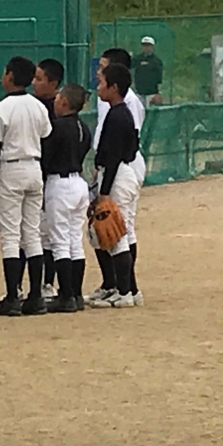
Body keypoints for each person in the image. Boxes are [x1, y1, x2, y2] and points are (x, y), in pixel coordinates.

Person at [0, 56, 52, 317]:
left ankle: (13, 297)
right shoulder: (38, 106)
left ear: (10, 76)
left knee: (11, 235)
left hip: (11, 168)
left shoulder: (1, 109)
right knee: (32, 234)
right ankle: (36, 297)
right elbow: (45, 138)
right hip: (34, 167)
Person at [88, 48, 146, 306]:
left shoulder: (118, 113)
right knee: (122, 232)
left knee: (116, 234)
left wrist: (104, 192)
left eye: (102, 83)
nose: (98, 87)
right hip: (124, 172)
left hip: (118, 175)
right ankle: (130, 290)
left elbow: (112, 156)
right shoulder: (120, 112)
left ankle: (123, 292)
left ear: (114, 87)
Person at [42, 83, 91, 313]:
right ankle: (76, 294)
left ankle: (66, 296)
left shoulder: (57, 126)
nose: (55, 101)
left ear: (64, 102)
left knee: (60, 241)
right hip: (78, 182)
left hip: (59, 183)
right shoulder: (83, 127)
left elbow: (46, 157)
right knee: (74, 240)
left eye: (58, 97)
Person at [31, 58, 64, 301]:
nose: (34, 83)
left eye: (40, 78)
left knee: (48, 233)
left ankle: (48, 283)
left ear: (53, 83)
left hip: (50, 176)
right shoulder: (31, 105)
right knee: (27, 232)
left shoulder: (59, 109)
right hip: (32, 173)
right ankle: (20, 285)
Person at [134, 36, 164, 107]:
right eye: (144, 45)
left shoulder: (157, 61)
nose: (146, 47)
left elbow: (159, 78)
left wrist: (158, 92)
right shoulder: (137, 59)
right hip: (139, 92)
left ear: (152, 47)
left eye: (148, 45)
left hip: (151, 93)